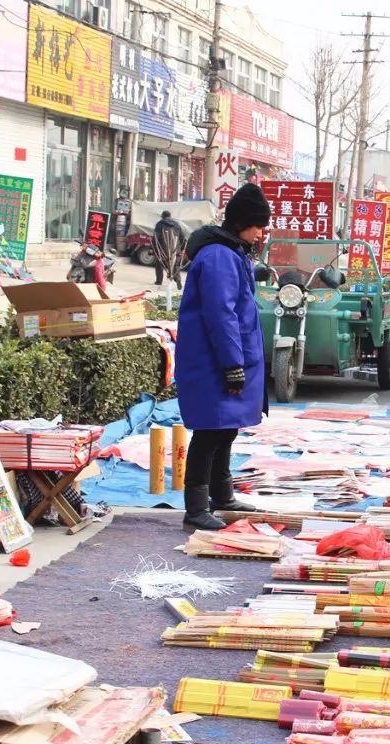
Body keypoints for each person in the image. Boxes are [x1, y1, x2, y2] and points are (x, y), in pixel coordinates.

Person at [176, 183, 270, 530]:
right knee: (210, 432)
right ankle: (196, 508)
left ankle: (222, 495)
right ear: (243, 222)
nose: (261, 233)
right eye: (258, 226)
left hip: (225, 355)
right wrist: (232, 364)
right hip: (214, 359)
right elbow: (221, 314)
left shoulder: (232, 252)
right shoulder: (218, 256)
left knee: (226, 429)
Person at [153, 210, 186, 289]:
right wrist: (181, 249)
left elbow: (155, 237)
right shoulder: (177, 225)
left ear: (163, 216)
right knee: (175, 265)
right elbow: (182, 237)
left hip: (162, 249)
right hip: (175, 248)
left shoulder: (160, 224)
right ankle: (177, 279)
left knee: (159, 265)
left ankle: (159, 281)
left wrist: (154, 248)